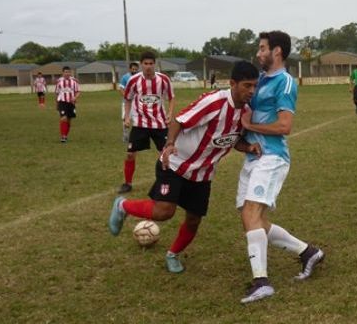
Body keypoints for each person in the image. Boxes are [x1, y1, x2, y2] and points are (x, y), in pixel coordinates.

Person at [108, 61, 261, 273]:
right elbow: (178, 121)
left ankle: (173, 254)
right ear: (233, 83)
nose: (252, 91)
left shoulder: (247, 111)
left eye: (255, 86)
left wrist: (248, 146)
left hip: (203, 174)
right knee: (164, 211)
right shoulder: (213, 102)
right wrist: (169, 145)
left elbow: (230, 140)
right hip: (175, 164)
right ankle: (122, 206)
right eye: (247, 85)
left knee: (193, 220)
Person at [237, 30, 324, 304]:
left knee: (252, 213)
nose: (258, 53)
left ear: (277, 52)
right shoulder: (261, 79)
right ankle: (307, 252)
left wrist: (251, 126)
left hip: (272, 157)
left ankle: (261, 282)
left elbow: (285, 126)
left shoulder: (285, 82)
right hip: (254, 156)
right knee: (252, 219)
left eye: (263, 48)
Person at [118, 52, 175, 194]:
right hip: (140, 124)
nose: (148, 66)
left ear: (154, 64)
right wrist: (126, 117)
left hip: (159, 123)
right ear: (141, 64)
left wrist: (169, 113)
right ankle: (127, 183)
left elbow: (171, 98)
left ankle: (166, 182)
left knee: (165, 154)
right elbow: (128, 99)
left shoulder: (164, 79)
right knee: (130, 154)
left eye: (151, 63)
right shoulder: (133, 80)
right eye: (146, 63)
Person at [55, 66, 80, 143]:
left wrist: (75, 97)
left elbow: (78, 91)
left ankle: (65, 135)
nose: (67, 73)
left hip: (71, 103)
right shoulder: (59, 82)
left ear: (70, 73)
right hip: (62, 102)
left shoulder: (74, 82)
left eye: (68, 72)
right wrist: (56, 103)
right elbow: (56, 93)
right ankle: (63, 136)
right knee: (64, 118)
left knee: (69, 120)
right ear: (63, 73)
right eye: (65, 72)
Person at [119, 62, 139, 142]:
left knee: (137, 119)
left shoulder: (139, 77)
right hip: (126, 102)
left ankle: (135, 136)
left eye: (136, 69)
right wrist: (127, 97)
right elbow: (121, 89)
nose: (134, 70)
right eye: (133, 69)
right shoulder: (125, 77)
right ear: (130, 69)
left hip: (137, 103)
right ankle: (125, 135)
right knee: (125, 118)